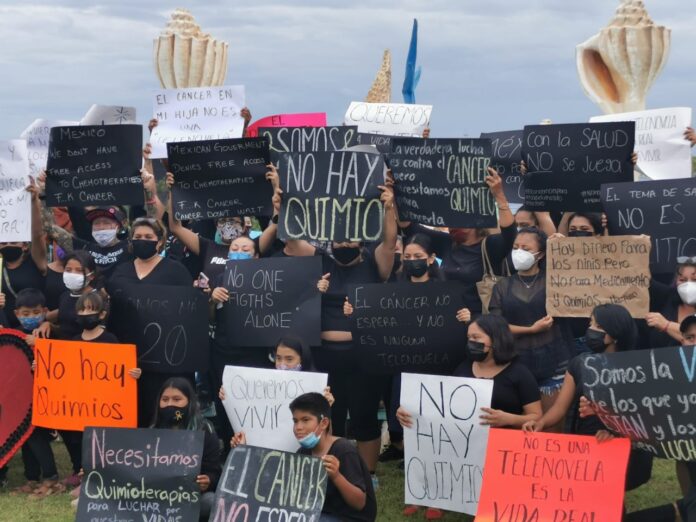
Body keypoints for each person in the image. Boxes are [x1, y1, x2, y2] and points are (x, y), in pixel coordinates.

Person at [396, 314, 541, 519]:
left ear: (496, 339)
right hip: (463, 444)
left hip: (503, 448)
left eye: (476, 338)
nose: (471, 343)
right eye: (469, 338)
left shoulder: (519, 373)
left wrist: (508, 419)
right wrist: (408, 412)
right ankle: (435, 495)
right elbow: (442, 408)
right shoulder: (463, 368)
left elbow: (536, 416)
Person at [107, 217, 193, 425]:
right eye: (137, 237)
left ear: (160, 241)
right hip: (128, 354)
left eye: (148, 236)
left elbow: (188, 310)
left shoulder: (176, 271)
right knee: (134, 410)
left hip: (165, 356)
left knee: (162, 410)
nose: (142, 240)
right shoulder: (121, 271)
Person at [398, 167, 515, 316]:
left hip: (479, 322)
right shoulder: (447, 243)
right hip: (448, 319)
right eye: (449, 221)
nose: (452, 226)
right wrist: (397, 192)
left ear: (475, 221)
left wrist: (499, 196)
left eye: (457, 220)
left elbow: (510, 234)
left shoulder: (489, 246)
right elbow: (409, 227)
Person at [489, 227, 572, 430]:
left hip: (554, 362)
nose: (519, 252)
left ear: (541, 254)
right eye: (516, 247)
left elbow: (580, 280)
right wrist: (531, 330)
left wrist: (565, 247)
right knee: (518, 427)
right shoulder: (502, 286)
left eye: (526, 248)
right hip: (516, 364)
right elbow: (496, 326)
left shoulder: (555, 280)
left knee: (550, 426)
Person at [293, 392, 377, 522]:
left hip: (349, 518)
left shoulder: (344, 450)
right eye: (295, 421)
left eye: (305, 420)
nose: (298, 427)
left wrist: (336, 476)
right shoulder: (302, 453)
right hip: (319, 513)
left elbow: (359, 503)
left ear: (324, 423)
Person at [151, 377, 221, 521]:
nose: (170, 404)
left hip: (191, 499)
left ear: (189, 401)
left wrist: (208, 480)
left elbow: (214, 472)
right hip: (156, 501)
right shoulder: (152, 432)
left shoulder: (205, 431)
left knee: (211, 501)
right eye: (165, 399)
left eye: (177, 399)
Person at [10, 289, 60, 493]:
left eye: (36, 312)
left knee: (36, 434)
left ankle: (50, 476)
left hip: (43, 396)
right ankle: (31, 477)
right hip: (20, 395)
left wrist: (41, 348)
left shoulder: (51, 334)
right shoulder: (12, 335)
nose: (31, 317)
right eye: (26, 313)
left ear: (45, 311)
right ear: (17, 314)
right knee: (24, 436)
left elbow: (63, 357)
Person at [0, 177, 48, 327]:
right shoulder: (0, 267)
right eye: (3, 243)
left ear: (25, 245)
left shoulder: (35, 261)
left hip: (38, 330)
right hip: (8, 332)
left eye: (14, 241)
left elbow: (37, 234)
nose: (8, 245)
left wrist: (34, 202)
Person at [36, 251, 103, 341]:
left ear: (91, 275)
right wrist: (49, 325)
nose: (72, 274)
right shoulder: (65, 296)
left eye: (79, 270)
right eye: (68, 270)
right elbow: (65, 330)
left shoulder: (97, 299)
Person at [646, 259, 696, 348]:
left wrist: (666, 325)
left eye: (694, 280)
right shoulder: (667, 298)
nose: (688, 285)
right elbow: (645, 280)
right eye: (682, 280)